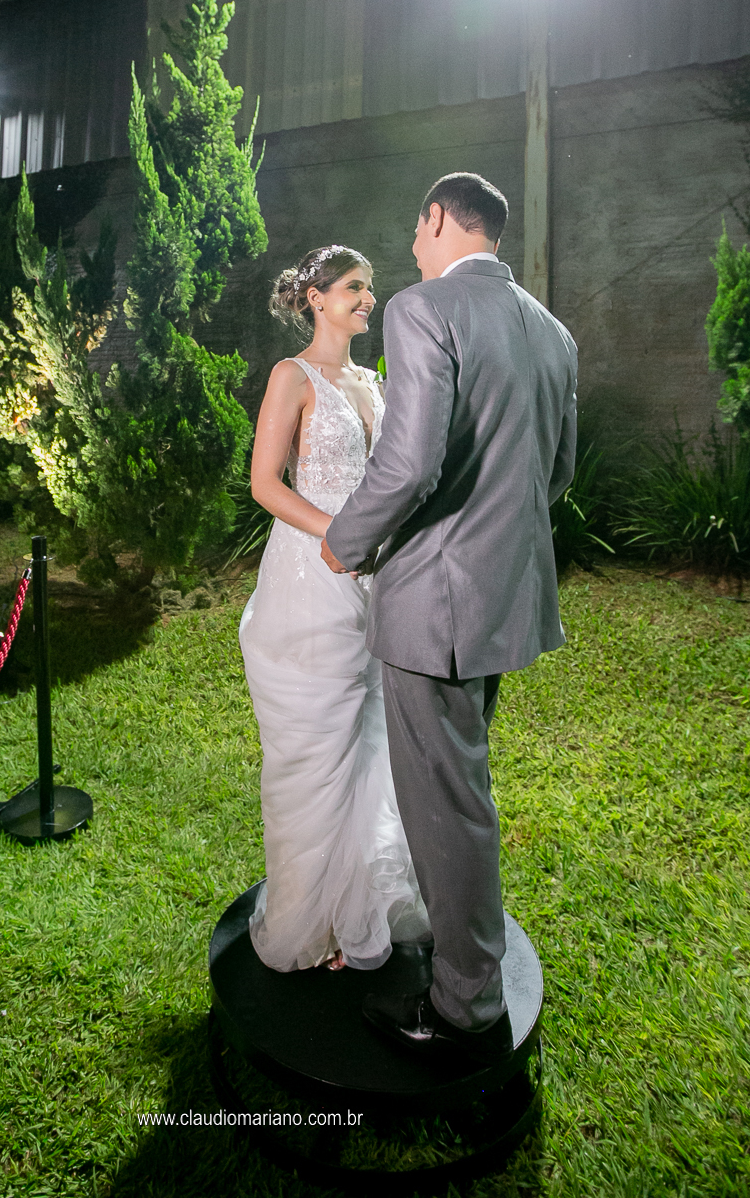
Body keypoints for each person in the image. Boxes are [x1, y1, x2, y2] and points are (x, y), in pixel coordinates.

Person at [321, 172, 577, 1068]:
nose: (411, 247)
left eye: (416, 227)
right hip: (506, 599)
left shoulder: (424, 309)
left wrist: (346, 542)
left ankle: (464, 1001)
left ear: (438, 218)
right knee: (461, 792)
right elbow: (555, 473)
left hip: (435, 604)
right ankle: (464, 951)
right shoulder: (553, 331)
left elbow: (409, 463)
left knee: (447, 805)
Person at [240, 244, 429, 974]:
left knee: (373, 743)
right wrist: (340, 537)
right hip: (311, 577)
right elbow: (265, 483)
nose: (367, 298)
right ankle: (309, 921)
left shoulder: (372, 382)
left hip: (378, 581)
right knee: (317, 752)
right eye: (354, 286)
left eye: (369, 287)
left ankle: (364, 908)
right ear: (316, 298)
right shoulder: (292, 376)